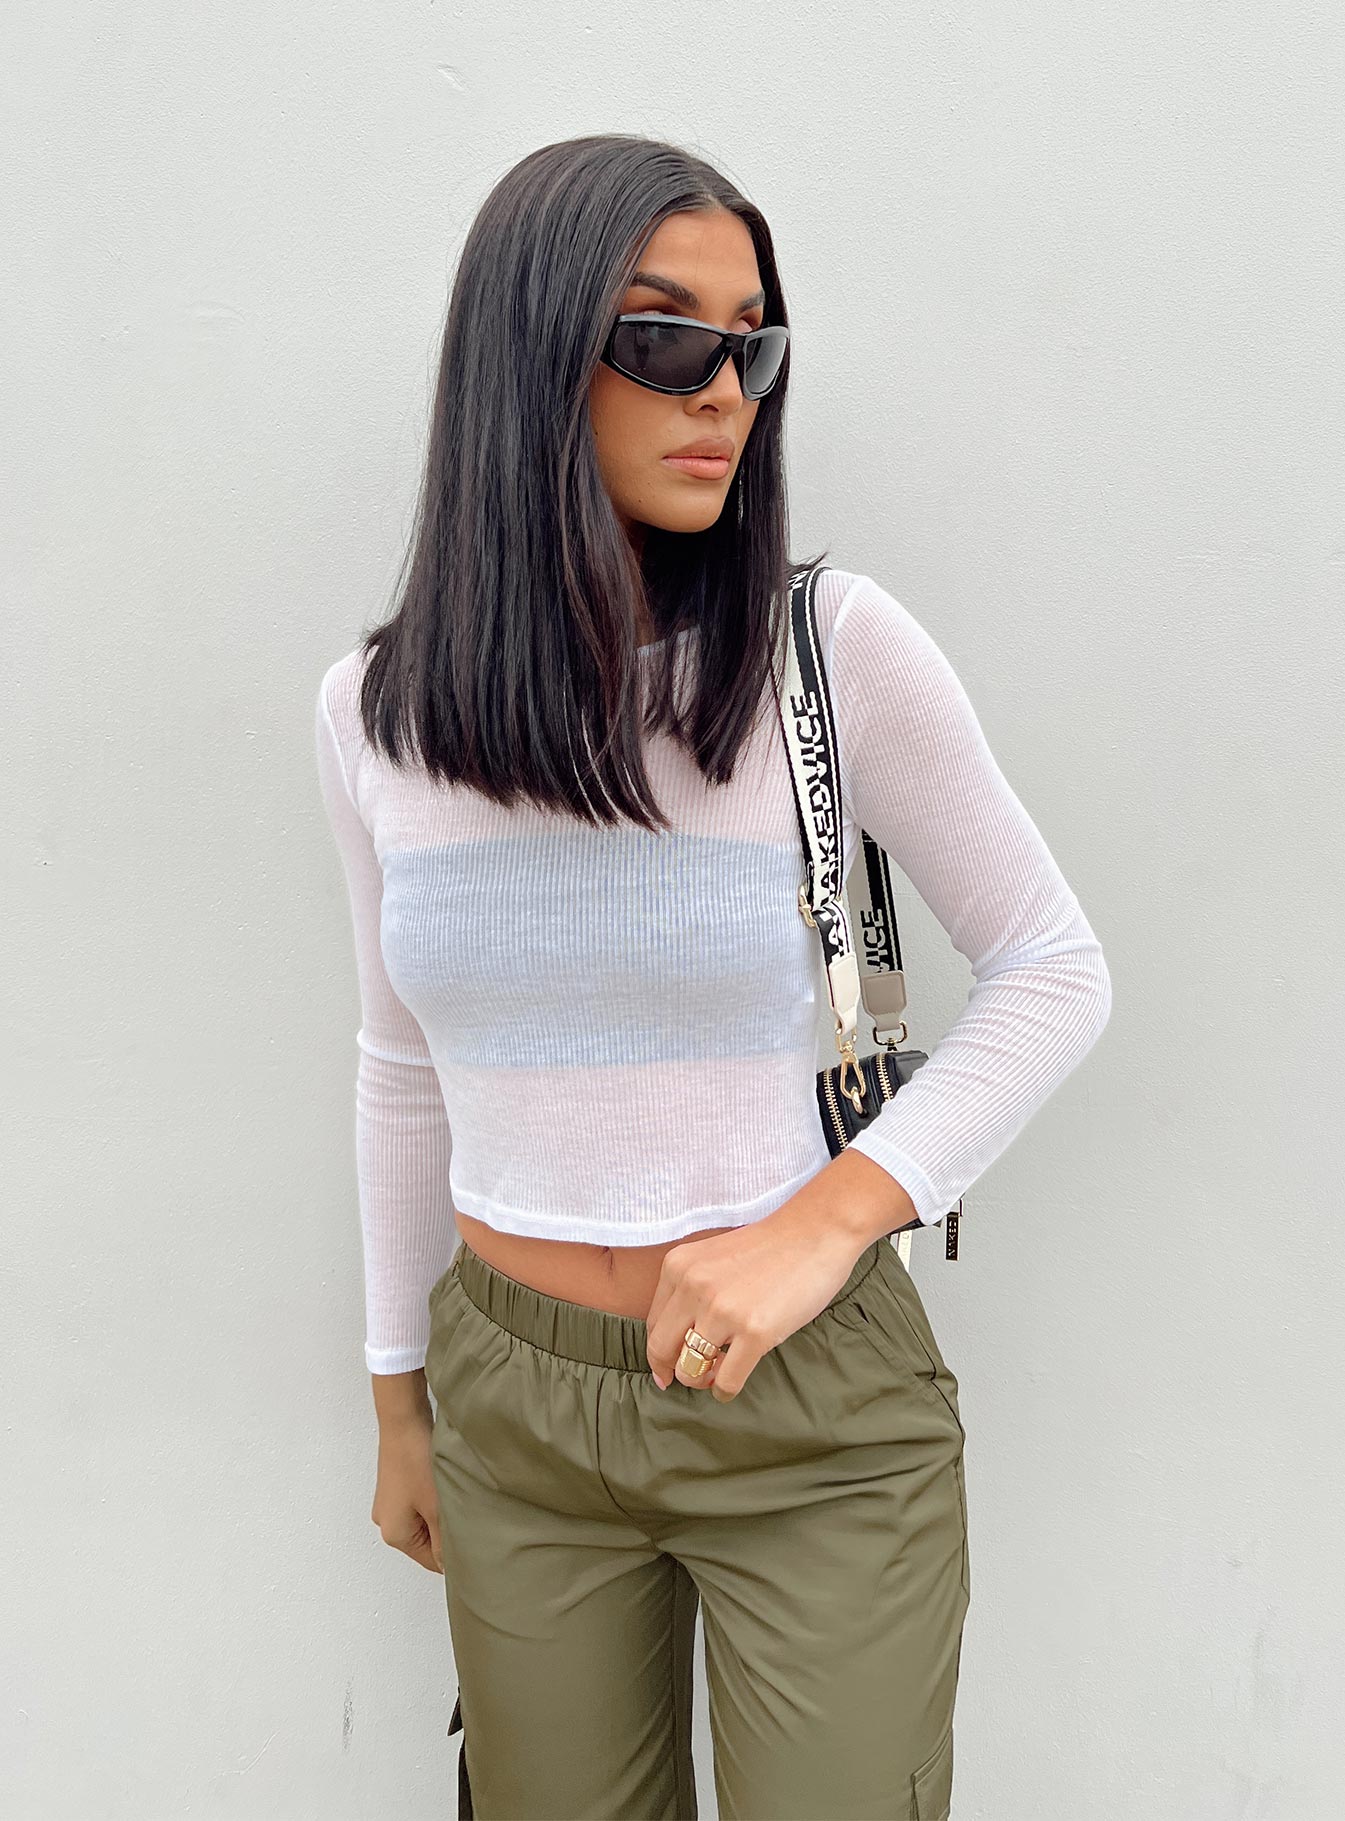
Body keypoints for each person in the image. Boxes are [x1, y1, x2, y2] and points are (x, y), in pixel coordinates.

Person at [314, 132, 1111, 1821]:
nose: (725, 393)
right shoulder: (375, 714)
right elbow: (399, 1066)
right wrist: (397, 1399)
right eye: (667, 336)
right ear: (531, 352)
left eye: (754, 345)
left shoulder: (831, 652)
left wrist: (825, 1222)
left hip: (808, 1399)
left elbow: (1052, 964)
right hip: (513, 1405)